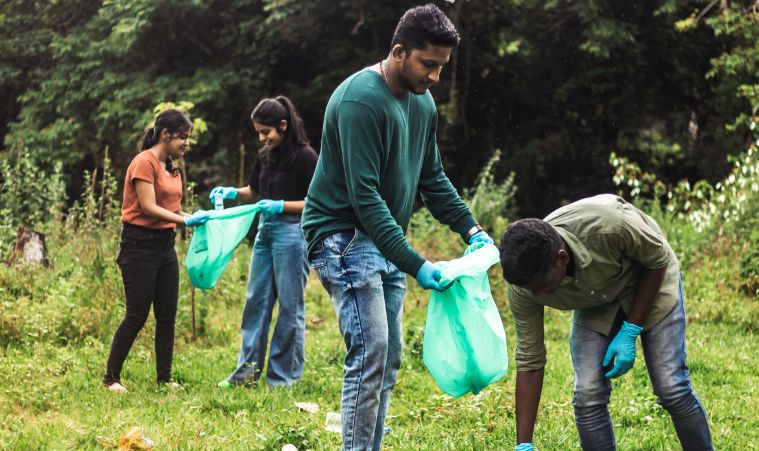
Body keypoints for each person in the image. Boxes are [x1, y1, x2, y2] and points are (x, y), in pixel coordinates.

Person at [301, 4, 493, 450]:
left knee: (388, 361)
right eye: (429, 64)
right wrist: (415, 263)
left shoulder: (423, 104)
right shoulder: (360, 101)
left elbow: (432, 178)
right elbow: (364, 197)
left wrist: (471, 229)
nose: (435, 77)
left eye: (442, 67)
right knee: (370, 355)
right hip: (342, 235)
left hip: (381, 240)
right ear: (399, 51)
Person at [499, 194, 714, 451]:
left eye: (544, 286)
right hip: (596, 301)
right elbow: (530, 359)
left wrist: (631, 329)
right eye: (533, 290)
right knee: (588, 394)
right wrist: (523, 444)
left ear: (562, 258)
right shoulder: (525, 286)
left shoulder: (611, 223)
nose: (540, 295)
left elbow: (657, 260)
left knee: (671, 387)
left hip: (649, 278)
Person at [210, 96, 317, 388]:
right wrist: (232, 191)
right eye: (258, 131)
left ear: (283, 126)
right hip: (265, 232)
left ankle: (282, 377)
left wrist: (281, 205)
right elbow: (253, 190)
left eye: (266, 131)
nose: (262, 137)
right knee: (255, 303)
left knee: (289, 306)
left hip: (293, 234)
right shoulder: (265, 154)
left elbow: (315, 203)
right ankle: (246, 374)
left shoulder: (306, 157)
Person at [104, 109, 210, 393]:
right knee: (136, 315)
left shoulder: (170, 166)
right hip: (138, 246)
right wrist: (185, 220)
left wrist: (193, 217)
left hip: (165, 247)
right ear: (165, 135)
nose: (186, 143)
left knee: (167, 316)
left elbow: (171, 210)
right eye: (182, 137)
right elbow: (149, 207)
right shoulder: (144, 163)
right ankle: (111, 378)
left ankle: (165, 379)